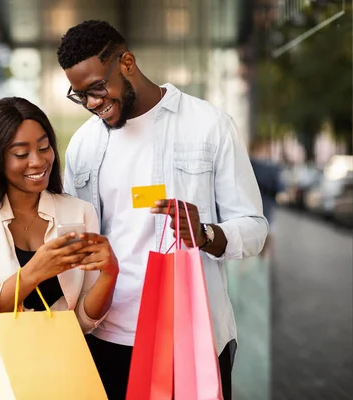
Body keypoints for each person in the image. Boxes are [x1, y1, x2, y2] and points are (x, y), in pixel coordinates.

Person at [57, 20, 268, 400]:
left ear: (127, 63)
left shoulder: (208, 125)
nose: (92, 103)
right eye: (80, 95)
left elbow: (254, 228)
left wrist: (205, 234)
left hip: (190, 339)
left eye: (97, 89)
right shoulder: (83, 145)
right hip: (106, 338)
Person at [0, 97, 119, 335]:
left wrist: (110, 273)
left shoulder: (79, 212)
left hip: (62, 365)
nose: (38, 161)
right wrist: (32, 274)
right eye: (21, 154)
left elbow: (82, 322)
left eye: (44, 148)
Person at [249, 136, 285, 260]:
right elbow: (278, 187)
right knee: (266, 236)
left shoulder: (251, 164)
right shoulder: (270, 167)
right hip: (263, 207)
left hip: (260, 207)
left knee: (264, 237)